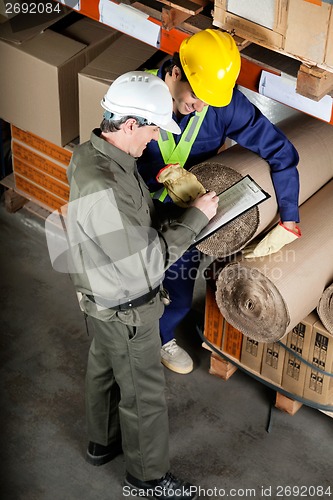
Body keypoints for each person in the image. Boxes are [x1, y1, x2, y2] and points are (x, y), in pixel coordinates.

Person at [64, 71, 218, 499]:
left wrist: (161, 191)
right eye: (151, 130)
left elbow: (127, 217)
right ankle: (147, 479)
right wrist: (196, 219)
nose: (152, 140)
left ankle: (103, 443)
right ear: (129, 124)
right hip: (128, 305)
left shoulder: (93, 157)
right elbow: (144, 266)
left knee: (104, 367)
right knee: (144, 392)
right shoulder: (108, 183)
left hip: (98, 297)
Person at [137, 28, 301, 375]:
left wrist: (289, 216)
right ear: (176, 71)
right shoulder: (134, 94)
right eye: (196, 95)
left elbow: (281, 153)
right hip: (135, 207)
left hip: (190, 218)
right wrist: (148, 177)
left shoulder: (221, 105)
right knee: (130, 289)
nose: (200, 107)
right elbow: (107, 159)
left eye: (210, 99)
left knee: (178, 296)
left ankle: (163, 337)